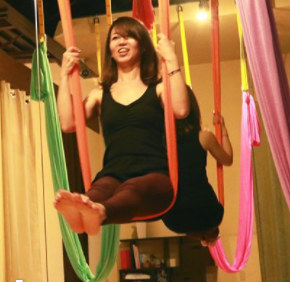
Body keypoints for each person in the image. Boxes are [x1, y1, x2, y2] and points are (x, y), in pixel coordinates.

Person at [55, 16, 189, 236]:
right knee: (98, 190)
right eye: (116, 38)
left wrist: (172, 60)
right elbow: (68, 123)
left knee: (131, 188)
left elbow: (181, 109)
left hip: (155, 177)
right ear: (110, 48)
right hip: (113, 174)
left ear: (143, 45)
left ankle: (100, 212)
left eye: (129, 36)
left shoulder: (158, 89)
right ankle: (83, 211)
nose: (122, 42)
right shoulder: (100, 94)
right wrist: (64, 76)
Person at [160, 86, 232, 246]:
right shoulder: (204, 137)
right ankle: (208, 236)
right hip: (206, 210)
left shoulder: (160, 142)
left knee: (194, 218)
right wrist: (223, 131)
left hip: (175, 217)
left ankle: (207, 236)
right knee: (203, 220)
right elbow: (227, 159)